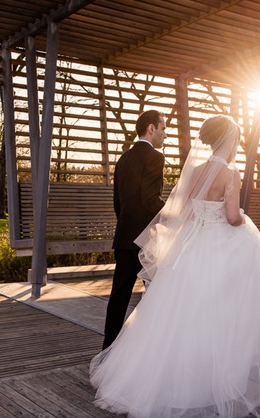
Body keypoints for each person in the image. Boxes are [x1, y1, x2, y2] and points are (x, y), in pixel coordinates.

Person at [90, 115, 260, 418]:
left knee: (175, 310)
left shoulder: (195, 171)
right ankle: (222, 371)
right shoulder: (229, 173)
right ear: (229, 141)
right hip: (218, 243)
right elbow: (230, 217)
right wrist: (243, 219)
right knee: (227, 306)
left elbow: (185, 213)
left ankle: (156, 373)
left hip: (191, 244)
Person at [102, 109, 167, 350]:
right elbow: (151, 200)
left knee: (119, 297)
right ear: (151, 128)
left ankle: (108, 350)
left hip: (124, 238)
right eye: (163, 128)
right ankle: (154, 349)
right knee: (162, 293)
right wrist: (173, 215)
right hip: (146, 241)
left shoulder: (123, 158)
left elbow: (118, 203)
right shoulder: (155, 157)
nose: (165, 135)